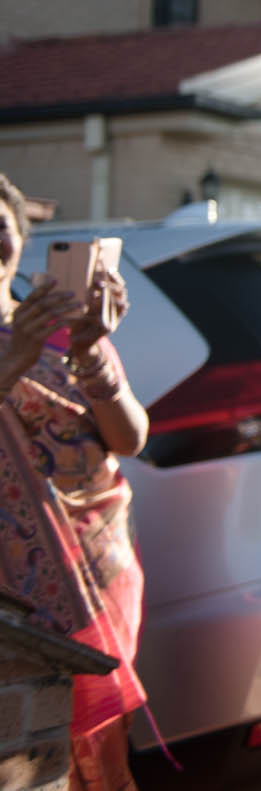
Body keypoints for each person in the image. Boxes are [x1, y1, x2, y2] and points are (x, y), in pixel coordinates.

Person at [0, 173, 147, 790]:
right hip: (18, 607)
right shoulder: (26, 339)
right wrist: (10, 364)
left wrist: (89, 353)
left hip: (102, 572)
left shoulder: (60, 325)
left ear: (20, 237)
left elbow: (129, 438)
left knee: (100, 754)